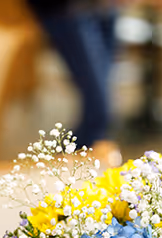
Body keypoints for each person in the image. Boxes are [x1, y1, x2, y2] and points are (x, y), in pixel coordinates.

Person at [26, 0, 118, 147]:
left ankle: (84, 162)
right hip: (68, 10)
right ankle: (61, 165)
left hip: (105, 10)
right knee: (99, 112)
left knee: (102, 111)